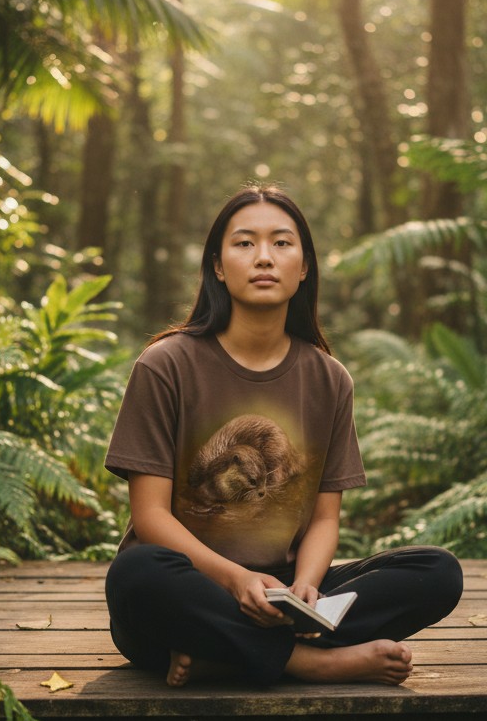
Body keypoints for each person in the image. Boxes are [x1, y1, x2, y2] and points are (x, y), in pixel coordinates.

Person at [104, 186, 462, 688]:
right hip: (190, 592)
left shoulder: (328, 379)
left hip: (285, 595)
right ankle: (308, 663)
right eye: (245, 243)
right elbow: (150, 517)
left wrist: (307, 589)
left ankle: (226, 656)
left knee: (437, 572)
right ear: (219, 266)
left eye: (282, 243)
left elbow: (324, 518)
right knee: (136, 574)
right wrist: (236, 580)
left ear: (305, 266)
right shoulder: (166, 366)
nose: (265, 257)